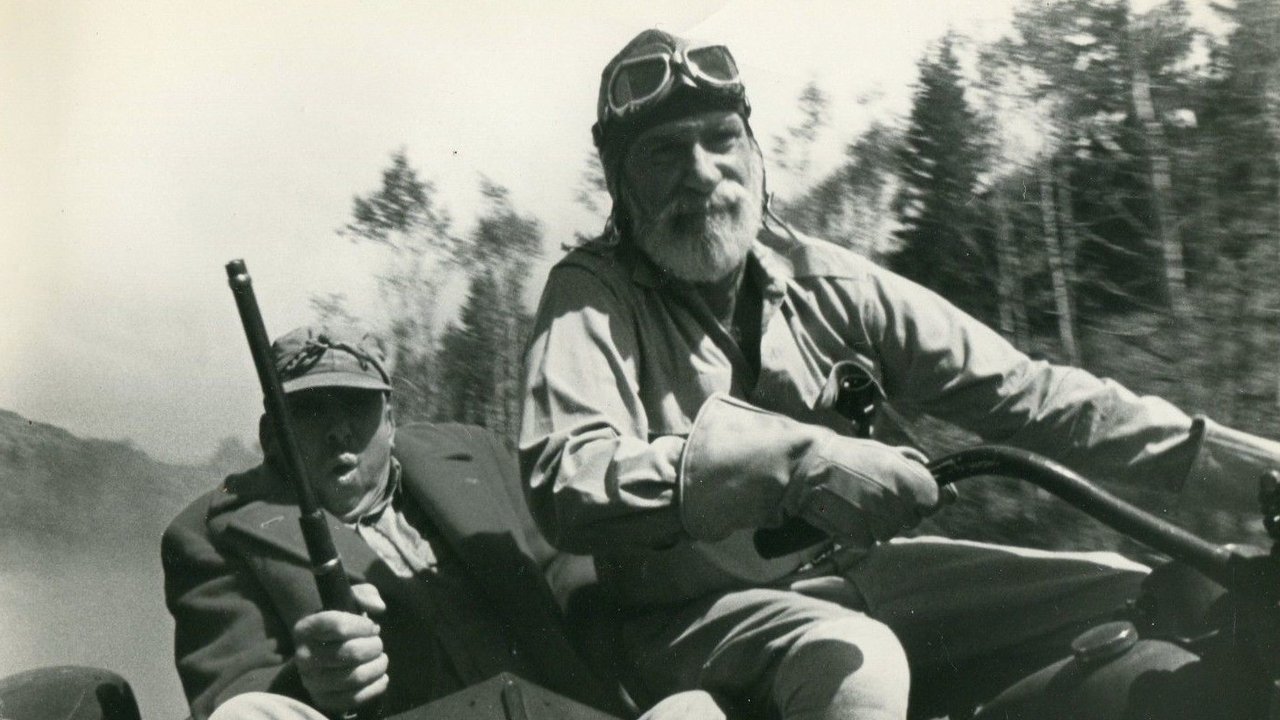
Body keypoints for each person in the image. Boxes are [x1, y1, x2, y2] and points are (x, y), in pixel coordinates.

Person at [520, 28, 1280, 720]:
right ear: (621, 184)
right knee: (858, 667)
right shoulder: (592, 292)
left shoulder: (825, 281)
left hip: (857, 578)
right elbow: (567, 476)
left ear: (754, 154)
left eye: (721, 139)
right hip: (685, 618)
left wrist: (1257, 478)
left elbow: (1033, 397)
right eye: (662, 152)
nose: (700, 172)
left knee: (1146, 589)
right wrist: (800, 465)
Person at [162, 325, 640, 720]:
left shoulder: (478, 457)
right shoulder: (214, 534)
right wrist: (312, 683)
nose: (339, 429)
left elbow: (575, 574)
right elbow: (236, 694)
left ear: (390, 418)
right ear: (271, 435)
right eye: (309, 410)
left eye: (356, 403)